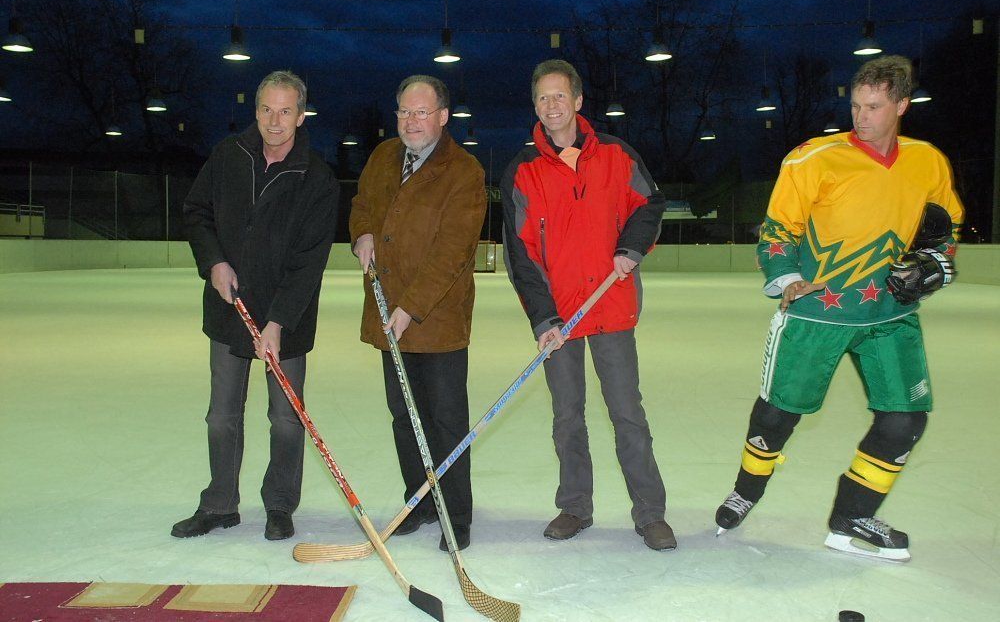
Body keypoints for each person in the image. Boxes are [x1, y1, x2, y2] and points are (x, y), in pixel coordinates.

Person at [714, 55, 963, 562]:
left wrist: (935, 265)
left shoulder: (928, 161)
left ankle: (852, 516)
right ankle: (746, 490)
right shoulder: (812, 159)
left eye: (874, 107)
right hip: (816, 313)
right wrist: (787, 277)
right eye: (855, 106)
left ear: (902, 105)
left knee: (905, 421)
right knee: (777, 416)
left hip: (889, 315)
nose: (861, 117)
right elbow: (777, 229)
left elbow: (945, 231)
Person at [501, 59, 675, 551]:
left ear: (578, 101)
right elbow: (520, 254)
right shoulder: (522, 170)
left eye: (560, 95)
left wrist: (631, 247)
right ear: (535, 106)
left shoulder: (617, 154)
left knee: (627, 413)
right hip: (560, 318)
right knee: (567, 417)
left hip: (610, 307)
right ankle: (575, 506)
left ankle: (650, 513)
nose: (551, 105)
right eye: (543, 98)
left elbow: (650, 205)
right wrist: (543, 317)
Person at [174, 70, 339, 541]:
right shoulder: (229, 155)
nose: (274, 120)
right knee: (221, 415)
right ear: (256, 109)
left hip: (287, 319)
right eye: (267, 109)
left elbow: (309, 262)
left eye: (286, 111)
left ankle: (280, 505)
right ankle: (219, 504)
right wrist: (214, 262)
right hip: (229, 311)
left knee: (285, 418)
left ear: (301, 116)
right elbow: (197, 212)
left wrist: (278, 322)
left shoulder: (317, 178)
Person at [349, 74, 486, 552]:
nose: (411, 121)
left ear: (443, 117)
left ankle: (456, 514)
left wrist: (410, 307)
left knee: (445, 420)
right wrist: (362, 234)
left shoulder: (464, 171)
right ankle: (420, 501)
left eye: (422, 112)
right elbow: (362, 205)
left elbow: (453, 251)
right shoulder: (383, 157)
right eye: (404, 112)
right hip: (388, 312)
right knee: (404, 416)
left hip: (437, 320)